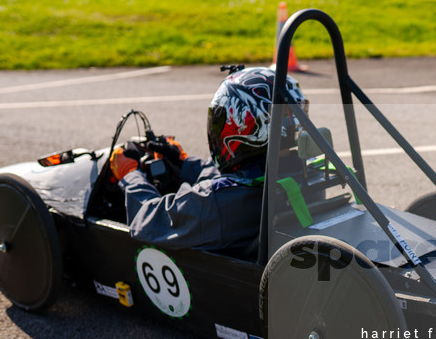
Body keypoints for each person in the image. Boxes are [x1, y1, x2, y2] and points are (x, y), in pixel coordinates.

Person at [108, 67, 308, 251]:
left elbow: (148, 222)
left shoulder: (214, 202)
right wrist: (184, 162)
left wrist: (130, 175)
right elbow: (240, 178)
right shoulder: (303, 175)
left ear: (240, 125)